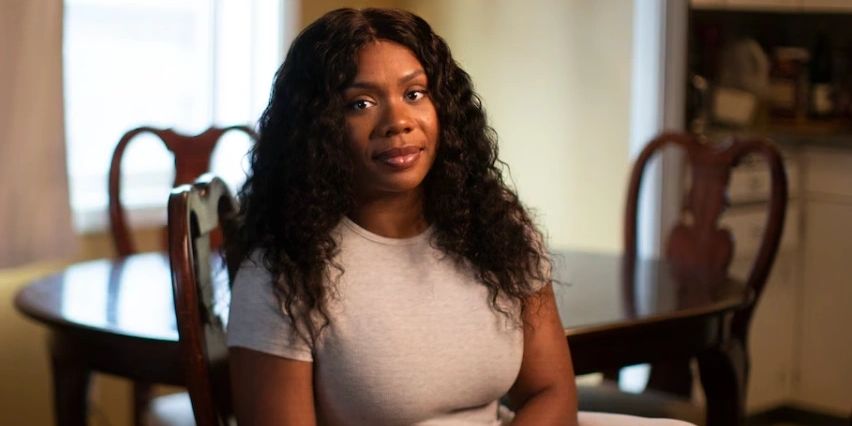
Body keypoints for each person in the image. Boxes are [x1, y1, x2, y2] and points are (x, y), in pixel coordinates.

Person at [226, 7, 694, 426]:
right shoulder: (281, 272)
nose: (397, 121)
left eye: (415, 93)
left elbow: (551, 392)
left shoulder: (498, 228)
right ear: (316, 127)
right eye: (360, 103)